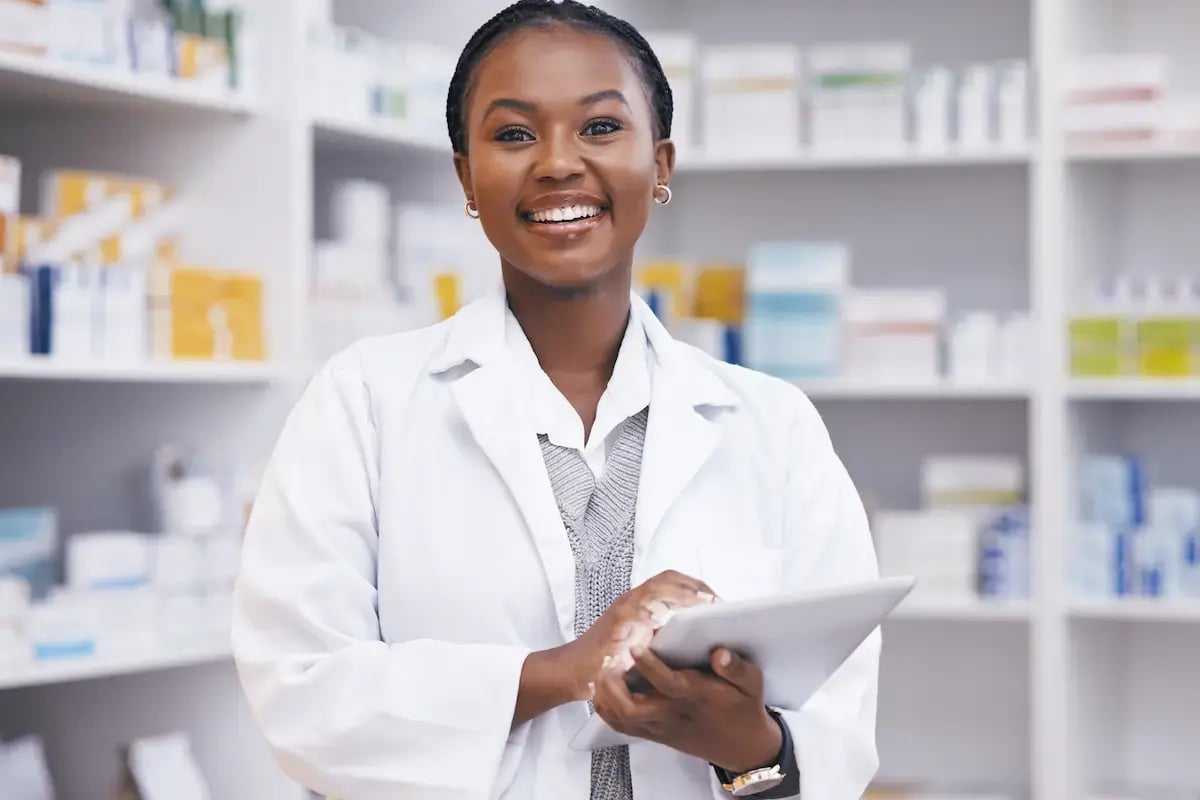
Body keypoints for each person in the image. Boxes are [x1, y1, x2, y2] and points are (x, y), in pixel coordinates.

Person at [231, 1, 880, 798]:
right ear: (467, 178)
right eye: (513, 135)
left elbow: (839, 731)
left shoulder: (772, 426)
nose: (558, 163)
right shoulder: (364, 402)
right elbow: (302, 697)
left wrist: (745, 743)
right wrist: (560, 670)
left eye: (601, 128)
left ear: (662, 165)